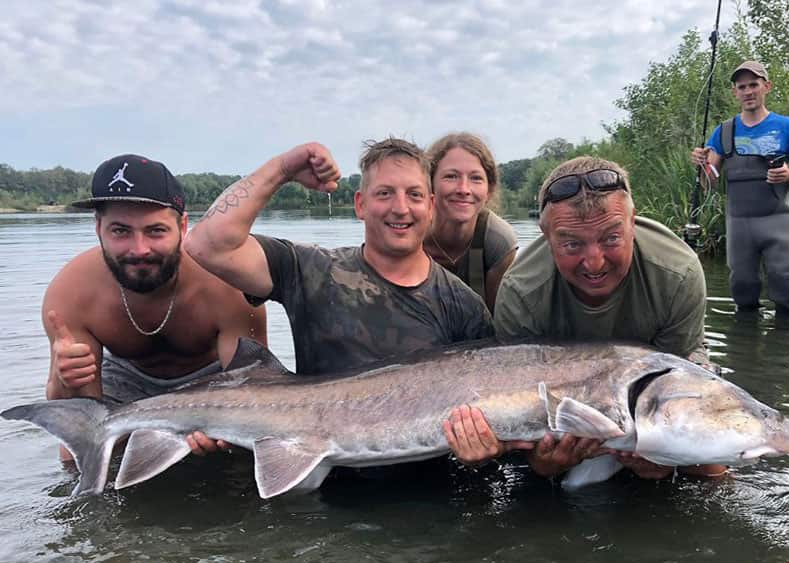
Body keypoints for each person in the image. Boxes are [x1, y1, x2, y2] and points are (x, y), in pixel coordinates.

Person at [442, 155, 725, 481]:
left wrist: (665, 458)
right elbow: (520, 398)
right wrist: (542, 463)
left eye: (611, 239)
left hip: (653, 378)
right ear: (547, 236)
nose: (594, 262)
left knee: (710, 467)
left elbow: (672, 381)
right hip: (560, 392)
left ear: (633, 222)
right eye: (572, 244)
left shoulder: (678, 272)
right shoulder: (522, 291)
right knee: (539, 472)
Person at [183, 138, 493, 378]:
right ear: (360, 204)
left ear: (431, 206)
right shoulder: (310, 270)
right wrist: (284, 169)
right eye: (384, 193)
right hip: (318, 454)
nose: (401, 208)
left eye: (414, 195)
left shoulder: (463, 306)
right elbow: (206, 244)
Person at [47, 153, 267, 460]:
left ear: (183, 226)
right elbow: (70, 410)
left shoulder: (228, 283)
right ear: (99, 228)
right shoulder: (71, 292)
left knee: (246, 454)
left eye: (155, 231)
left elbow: (258, 388)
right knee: (74, 455)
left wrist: (229, 427)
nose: (139, 249)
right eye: (121, 231)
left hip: (213, 388)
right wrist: (64, 377)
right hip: (124, 383)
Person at [691, 60, 789, 318]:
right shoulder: (724, 132)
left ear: (766, 87)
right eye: (741, 86)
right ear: (735, 92)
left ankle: (785, 350)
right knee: (742, 290)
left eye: (753, 85)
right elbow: (709, 181)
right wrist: (702, 166)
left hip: (777, 220)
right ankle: (744, 353)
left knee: (787, 287)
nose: (748, 91)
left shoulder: (787, 126)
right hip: (739, 223)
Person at [423, 133, 518, 312]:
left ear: (488, 191)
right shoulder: (412, 233)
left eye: (476, 178)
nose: (463, 189)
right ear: (430, 184)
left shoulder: (498, 241)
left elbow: (496, 322)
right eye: (451, 176)